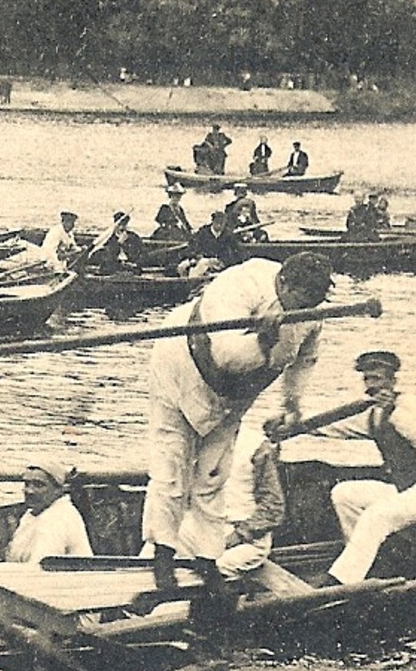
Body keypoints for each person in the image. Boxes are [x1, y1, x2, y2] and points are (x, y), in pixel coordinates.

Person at [141, 253, 333, 596]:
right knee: (171, 468)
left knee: (215, 475)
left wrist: (291, 405)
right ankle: (163, 554)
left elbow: (305, 361)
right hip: (182, 371)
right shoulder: (238, 285)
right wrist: (264, 339)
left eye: (313, 303)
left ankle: (206, 558)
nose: (303, 310)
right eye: (300, 301)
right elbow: (227, 359)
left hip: (233, 397)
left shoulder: (311, 315)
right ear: (284, 283)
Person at [309, 351, 416, 586]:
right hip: (401, 490)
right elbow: (335, 428)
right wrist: (296, 426)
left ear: (392, 381)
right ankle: (364, 561)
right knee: (344, 494)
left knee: (377, 515)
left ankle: (341, 580)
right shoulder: (373, 413)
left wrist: (394, 411)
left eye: (377, 379)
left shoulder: (408, 404)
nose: (371, 385)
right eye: (367, 379)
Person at [215, 431, 288, 581]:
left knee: (217, 566)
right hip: (208, 530)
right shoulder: (199, 442)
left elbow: (273, 507)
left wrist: (240, 534)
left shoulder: (256, 447)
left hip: (247, 538)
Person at [5, 463, 94, 564]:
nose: (29, 491)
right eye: (27, 484)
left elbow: (39, 569)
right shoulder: (32, 514)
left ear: (58, 490)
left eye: (39, 485)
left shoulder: (58, 518)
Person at [187, 210, 247, 275]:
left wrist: (225, 261)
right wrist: (198, 256)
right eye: (217, 222)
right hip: (205, 261)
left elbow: (237, 249)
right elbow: (193, 246)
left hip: (220, 263)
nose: (219, 225)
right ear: (213, 222)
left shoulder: (228, 235)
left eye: (222, 223)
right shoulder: (203, 232)